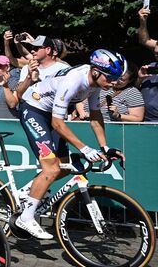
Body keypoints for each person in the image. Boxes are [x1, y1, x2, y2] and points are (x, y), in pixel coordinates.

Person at [16, 49, 127, 239]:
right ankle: (25, 218)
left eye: (117, 78)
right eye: (111, 77)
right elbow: (57, 124)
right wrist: (84, 148)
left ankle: (28, 191)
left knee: (66, 167)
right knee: (51, 169)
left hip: (50, 114)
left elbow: (95, 116)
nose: (114, 82)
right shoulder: (74, 80)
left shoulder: (96, 84)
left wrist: (105, 147)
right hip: (33, 109)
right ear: (95, 72)